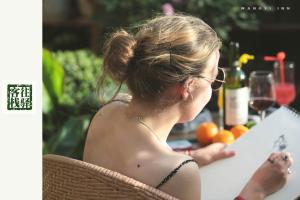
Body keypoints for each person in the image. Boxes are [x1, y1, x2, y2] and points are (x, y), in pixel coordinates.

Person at [83, 14, 293, 200]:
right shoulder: (180, 175)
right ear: (188, 86)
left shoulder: (108, 111)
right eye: (213, 78)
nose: (215, 87)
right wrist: (256, 190)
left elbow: (135, 162)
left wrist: (192, 156)